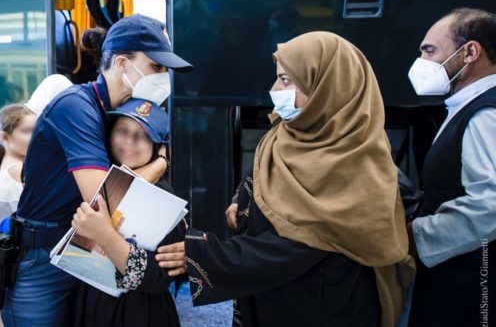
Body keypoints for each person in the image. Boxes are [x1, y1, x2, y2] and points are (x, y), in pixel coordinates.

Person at [156, 32, 414, 327]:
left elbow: (303, 243)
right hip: (269, 297)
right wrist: (242, 202)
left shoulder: (355, 160)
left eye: (287, 81)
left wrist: (207, 255)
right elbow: (260, 180)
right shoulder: (283, 134)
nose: (274, 89)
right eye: (277, 78)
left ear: (327, 87)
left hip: (325, 306)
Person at [1, 14, 192, 326]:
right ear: (121, 63)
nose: (162, 77)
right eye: (156, 67)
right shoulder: (77, 106)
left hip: (82, 252)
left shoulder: (111, 114)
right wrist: (160, 163)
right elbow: (103, 201)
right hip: (45, 260)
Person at [406, 8, 496, 326]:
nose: (421, 62)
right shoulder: (468, 106)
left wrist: (415, 236)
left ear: (470, 52)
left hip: (470, 285)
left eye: (429, 50)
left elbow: (489, 206)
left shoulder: (485, 113)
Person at [71, 98, 186, 327]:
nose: (130, 141)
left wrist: (107, 237)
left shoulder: (164, 199)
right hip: (92, 304)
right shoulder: (89, 182)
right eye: (122, 131)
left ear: (157, 146)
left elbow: (156, 279)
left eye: (142, 135)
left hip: (138, 313)